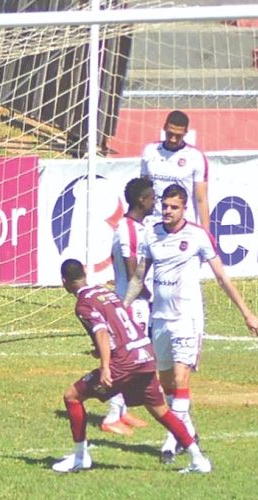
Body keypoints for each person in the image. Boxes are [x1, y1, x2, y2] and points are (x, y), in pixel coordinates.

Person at [123, 184, 258, 463]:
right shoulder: (152, 234)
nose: (167, 211)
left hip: (187, 318)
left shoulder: (197, 236)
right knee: (165, 383)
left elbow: (222, 277)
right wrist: (122, 308)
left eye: (173, 207)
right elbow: (139, 277)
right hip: (159, 318)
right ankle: (189, 432)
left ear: (184, 208)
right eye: (164, 206)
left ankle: (170, 441)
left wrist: (247, 313)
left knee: (180, 378)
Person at [53, 258, 211, 474]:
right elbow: (118, 324)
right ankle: (198, 459)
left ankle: (80, 457)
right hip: (145, 354)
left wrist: (106, 365)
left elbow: (101, 331)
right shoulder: (105, 292)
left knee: (72, 396)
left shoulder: (83, 304)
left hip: (123, 362)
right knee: (161, 410)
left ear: (64, 281)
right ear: (85, 274)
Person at [99, 177, 157, 436]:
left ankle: (121, 411)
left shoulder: (136, 226)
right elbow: (131, 264)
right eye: (152, 197)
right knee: (126, 359)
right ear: (141, 200)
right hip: (130, 303)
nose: (155, 201)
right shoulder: (128, 229)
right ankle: (112, 415)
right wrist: (142, 290)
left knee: (133, 359)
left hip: (136, 302)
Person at [140, 110, 210, 231]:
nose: (173, 139)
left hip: (183, 226)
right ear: (164, 128)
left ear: (185, 133)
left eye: (178, 136)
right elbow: (143, 189)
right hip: (154, 222)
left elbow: (201, 199)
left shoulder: (195, 157)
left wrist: (206, 232)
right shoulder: (150, 151)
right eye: (170, 134)